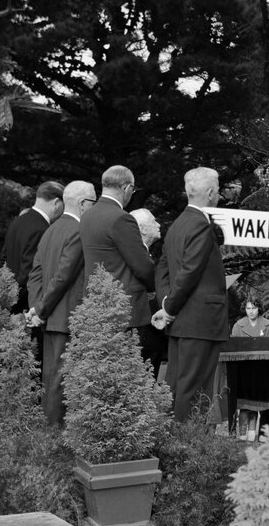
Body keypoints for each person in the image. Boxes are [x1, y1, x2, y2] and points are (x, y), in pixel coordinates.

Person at [153, 167, 230, 424]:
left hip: (181, 322)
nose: (219, 195)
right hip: (199, 322)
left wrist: (165, 304)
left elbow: (162, 269)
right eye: (217, 191)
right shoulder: (201, 225)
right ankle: (188, 446)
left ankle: (172, 441)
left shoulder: (176, 225)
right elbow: (190, 272)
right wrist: (170, 308)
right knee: (196, 390)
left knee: (175, 385)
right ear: (209, 193)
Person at [26, 180, 97, 426]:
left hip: (50, 317)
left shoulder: (51, 230)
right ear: (82, 203)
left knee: (51, 380)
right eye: (93, 202)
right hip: (67, 316)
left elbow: (35, 273)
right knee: (60, 383)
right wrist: (41, 309)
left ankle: (49, 437)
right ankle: (54, 439)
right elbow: (63, 277)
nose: (94, 208)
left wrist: (36, 308)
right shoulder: (78, 231)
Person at [80, 166, 156, 334]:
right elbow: (141, 265)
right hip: (123, 305)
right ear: (126, 188)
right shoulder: (121, 218)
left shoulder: (86, 216)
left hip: (95, 301)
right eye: (133, 189)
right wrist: (153, 286)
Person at [1, 181, 64, 312]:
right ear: (56, 203)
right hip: (26, 306)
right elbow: (30, 273)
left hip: (9, 298)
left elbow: (4, 260)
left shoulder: (17, 222)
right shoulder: (42, 229)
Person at [130, 207, 167, 378]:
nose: (158, 224)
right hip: (143, 328)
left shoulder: (145, 253)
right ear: (143, 229)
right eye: (153, 221)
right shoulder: (137, 256)